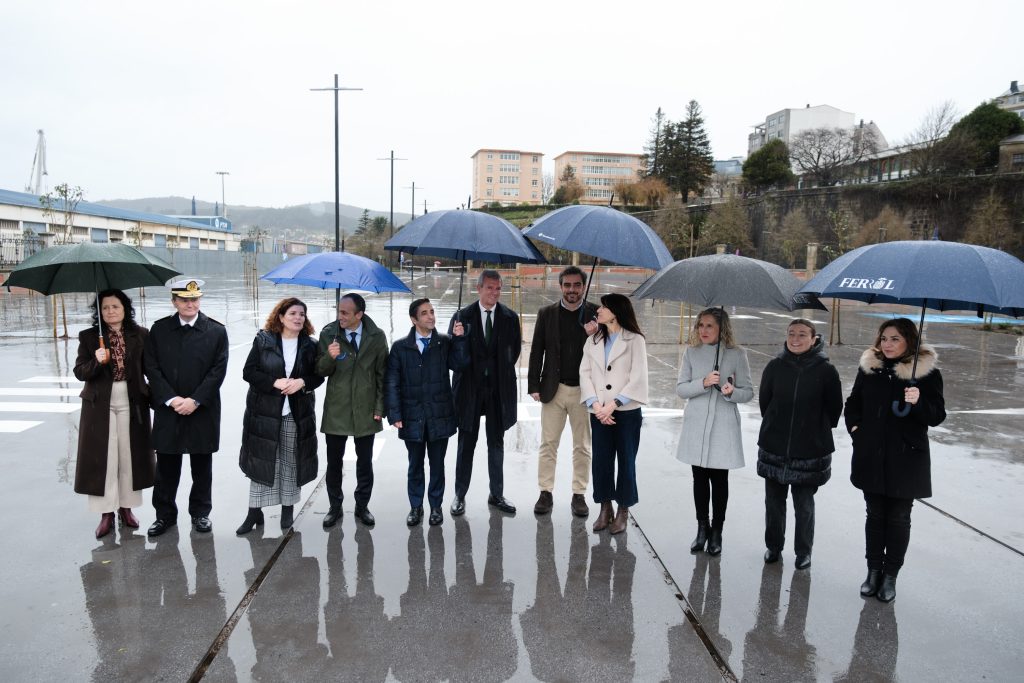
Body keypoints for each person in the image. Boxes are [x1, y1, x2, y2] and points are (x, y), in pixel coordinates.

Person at [845, 317, 945, 602]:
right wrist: (857, 431)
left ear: (908, 341)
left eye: (895, 339)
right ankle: (873, 571)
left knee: (899, 518)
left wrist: (918, 402)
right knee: (874, 515)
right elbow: (854, 403)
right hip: (872, 455)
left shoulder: (925, 373)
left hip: (906, 459)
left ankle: (891, 576)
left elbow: (936, 416)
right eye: (884, 338)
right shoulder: (870, 369)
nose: (887, 344)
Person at [144, 278, 229, 536]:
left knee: (201, 466)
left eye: (194, 299)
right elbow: (151, 367)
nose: (190, 304)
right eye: (184, 299)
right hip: (169, 409)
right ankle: (165, 515)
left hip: (202, 409)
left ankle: (201, 514)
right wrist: (171, 399)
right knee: (167, 467)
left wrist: (195, 400)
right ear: (174, 302)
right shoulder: (159, 330)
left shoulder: (215, 331)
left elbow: (218, 371)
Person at [757, 319, 843, 569]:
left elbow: (834, 409)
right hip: (775, 445)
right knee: (773, 503)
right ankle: (773, 546)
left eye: (802, 334)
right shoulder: (775, 366)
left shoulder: (827, 370)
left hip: (810, 450)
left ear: (814, 339)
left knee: (804, 505)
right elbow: (766, 402)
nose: (796, 339)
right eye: (792, 333)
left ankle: (803, 551)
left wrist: (812, 429)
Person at [236, 298, 324, 534]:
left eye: (302, 314)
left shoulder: (310, 345)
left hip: (295, 413)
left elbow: (318, 376)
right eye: (293, 313)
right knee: (261, 461)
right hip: (264, 412)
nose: (298, 318)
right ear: (281, 316)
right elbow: (249, 372)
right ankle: (254, 512)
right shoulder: (264, 340)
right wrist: (274, 381)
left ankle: (287, 509)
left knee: (290, 462)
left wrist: (302, 382)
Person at [73, 289, 155, 539]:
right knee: (104, 458)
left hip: (132, 400)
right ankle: (106, 513)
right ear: (99, 312)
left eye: (115, 306)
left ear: (124, 309)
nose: (110, 311)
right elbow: (80, 372)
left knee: (129, 456)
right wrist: (97, 361)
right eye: (105, 307)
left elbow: (151, 368)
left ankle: (126, 508)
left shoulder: (140, 334)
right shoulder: (89, 337)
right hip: (100, 403)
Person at [384, 298, 469, 527]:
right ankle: (415, 507)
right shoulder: (400, 348)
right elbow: (392, 382)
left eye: (432, 311)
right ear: (414, 319)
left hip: (439, 413)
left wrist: (459, 340)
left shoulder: (444, 342)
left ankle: (436, 507)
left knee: (437, 464)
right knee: (415, 464)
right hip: (412, 416)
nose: (431, 316)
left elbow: (460, 365)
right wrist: (395, 413)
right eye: (425, 313)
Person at [675, 307, 753, 555]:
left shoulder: (737, 354)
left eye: (709, 325)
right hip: (696, 424)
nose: (704, 330)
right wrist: (704, 383)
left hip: (723, 425)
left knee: (719, 481)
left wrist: (731, 393)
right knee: (699, 479)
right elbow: (681, 389)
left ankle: (717, 530)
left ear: (722, 328)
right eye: (701, 325)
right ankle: (702, 528)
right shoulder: (691, 352)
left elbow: (748, 392)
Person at [528, 266, 599, 517]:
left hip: (584, 391)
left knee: (582, 446)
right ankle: (545, 492)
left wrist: (595, 335)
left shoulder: (595, 314)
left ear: (583, 286)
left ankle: (579, 494)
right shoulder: (546, 313)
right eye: (567, 285)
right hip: (553, 389)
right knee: (549, 444)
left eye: (576, 285)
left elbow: (606, 354)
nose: (572, 290)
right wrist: (533, 385)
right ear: (560, 286)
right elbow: (537, 350)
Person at [449, 270, 521, 516]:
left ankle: (497, 494)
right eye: (490, 288)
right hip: (470, 390)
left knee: (496, 444)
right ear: (478, 288)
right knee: (466, 444)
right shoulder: (462, 317)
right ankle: (459, 495)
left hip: (498, 391)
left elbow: (515, 352)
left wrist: (497, 370)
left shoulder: (510, 317)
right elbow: (454, 361)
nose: (494, 293)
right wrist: (458, 340)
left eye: (498, 288)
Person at [316, 292, 387, 529]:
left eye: (345, 313)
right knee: (334, 463)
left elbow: (382, 375)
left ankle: (362, 506)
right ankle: (334, 507)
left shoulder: (376, 337)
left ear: (360, 314)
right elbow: (319, 371)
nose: (340, 316)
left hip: (366, 410)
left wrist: (379, 407)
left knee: (364, 463)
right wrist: (329, 356)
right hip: (337, 409)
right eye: (339, 311)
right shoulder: (328, 334)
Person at [580, 293, 649, 535]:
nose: (598, 310)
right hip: (599, 412)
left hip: (626, 412)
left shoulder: (635, 340)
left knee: (626, 461)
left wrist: (614, 404)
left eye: (604, 307)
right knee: (601, 461)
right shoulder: (593, 340)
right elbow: (585, 373)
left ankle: (623, 511)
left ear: (616, 311)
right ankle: (604, 507)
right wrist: (597, 406)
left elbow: (638, 377)